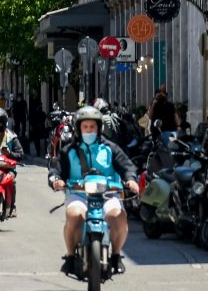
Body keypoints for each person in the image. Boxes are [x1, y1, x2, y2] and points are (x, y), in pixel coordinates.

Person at [47, 104, 139, 275]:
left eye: (92, 127)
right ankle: (70, 256)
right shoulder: (69, 150)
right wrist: (56, 180)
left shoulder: (110, 148)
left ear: (99, 128)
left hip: (108, 194)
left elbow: (127, 167)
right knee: (74, 215)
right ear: (78, 128)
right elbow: (56, 170)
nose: (89, 130)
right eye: (85, 127)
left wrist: (131, 180)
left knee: (118, 216)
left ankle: (116, 255)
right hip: (79, 193)